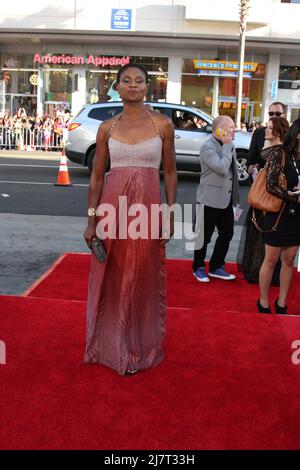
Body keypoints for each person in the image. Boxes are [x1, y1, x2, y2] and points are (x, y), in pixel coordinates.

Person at [83, 63, 177, 376]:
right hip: (112, 209)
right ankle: (110, 345)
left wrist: (171, 213)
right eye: (127, 80)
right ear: (118, 87)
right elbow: (96, 177)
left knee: (142, 276)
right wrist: (91, 219)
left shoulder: (162, 124)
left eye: (139, 81)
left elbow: (171, 172)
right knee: (112, 274)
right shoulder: (106, 128)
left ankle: (137, 346)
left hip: (147, 211)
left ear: (147, 87)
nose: (133, 85)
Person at [239, 102, 287, 285]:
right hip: (261, 195)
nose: (273, 116)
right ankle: (255, 271)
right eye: (270, 113)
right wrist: (255, 171)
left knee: (278, 237)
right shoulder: (260, 133)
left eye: (278, 113)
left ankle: (275, 275)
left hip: (280, 196)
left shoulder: (289, 135)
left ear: (284, 114)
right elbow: (250, 159)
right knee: (257, 234)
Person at [258, 118, 300, 314]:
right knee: (271, 259)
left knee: (290, 259)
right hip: (278, 213)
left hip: (296, 216)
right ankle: (264, 301)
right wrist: (291, 196)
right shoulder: (280, 153)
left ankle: (282, 302)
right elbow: (271, 184)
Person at [193, 115, 240, 282]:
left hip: (225, 200)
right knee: (202, 237)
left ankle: (216, 266)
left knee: (227, 233)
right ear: (219, 130)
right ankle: (198, 266)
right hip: (208, 199)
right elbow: (221, 168)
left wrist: (236, 198)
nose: (234, 131)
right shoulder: (207, 147)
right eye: (230, 128)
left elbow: (232, 174)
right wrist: (228, 147)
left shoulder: (230, 145)